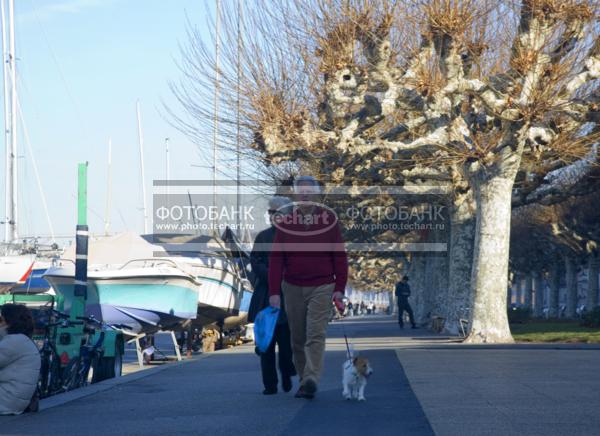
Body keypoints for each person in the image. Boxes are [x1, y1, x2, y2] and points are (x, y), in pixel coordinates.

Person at [269, 176, 348, 400]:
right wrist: (274, 292)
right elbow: (276, 259)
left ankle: (311, 378)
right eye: (300, 191)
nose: (304, 195)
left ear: (316, 195)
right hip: (292, 286)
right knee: (297, 338)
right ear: (295, 195)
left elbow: (339, 256)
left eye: (309, 191)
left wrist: (339, 287)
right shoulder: (285, 223)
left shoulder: (329, 220)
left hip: (323, 284)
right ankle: (304, 379)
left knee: (315, 334)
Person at [248, 196, 296, 395]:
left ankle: (286, 373)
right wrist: (269, 274)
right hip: (266, 296)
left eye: (275, 212)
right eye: (270, 212)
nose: (271, 216)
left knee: (286, 346)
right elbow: (255, 260)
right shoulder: (263, 236)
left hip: (287, 296)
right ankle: (269, 384)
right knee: (265, 344)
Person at [0, 304, 41, 415]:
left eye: (0, 319)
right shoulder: (21, 339)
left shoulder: (14, 342)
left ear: (8, 321)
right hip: (12, 397)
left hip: (7, 400)